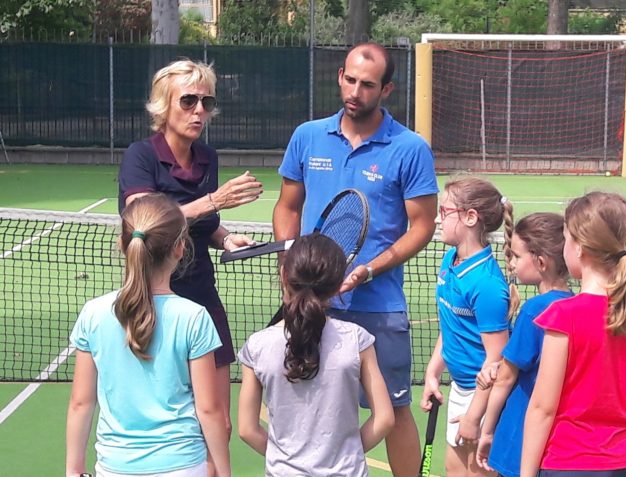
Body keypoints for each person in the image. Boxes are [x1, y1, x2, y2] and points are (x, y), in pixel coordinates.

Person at [272, 42, 438, 475]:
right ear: (339, 76)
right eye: (350, 80)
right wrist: (289, 266)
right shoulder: (307, 136)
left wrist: (370, 269)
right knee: (309, 403)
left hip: (379, 305)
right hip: (311, 302)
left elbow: (422, 226)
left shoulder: (410, 148)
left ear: (387, 90)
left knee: (395, 409)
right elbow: (287, 207)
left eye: (367, 84)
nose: (355, 91)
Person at [117, 59, 263, 451]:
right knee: (159, 416)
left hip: (201, 294)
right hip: (150, 298)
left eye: (207, 102)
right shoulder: (140, 156)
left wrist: (225, 237)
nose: (199, 110)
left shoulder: (207, 158)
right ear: (163, 105)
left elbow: (201, 223)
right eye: (188, 101)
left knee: (217, 422)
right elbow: (146, 221)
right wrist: (214, 200)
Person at [65, 194, 230, 477]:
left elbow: (81, 403)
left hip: (114, 467)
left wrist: (73, 469)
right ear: (180, 248)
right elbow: (209, 410)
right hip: (183, 465)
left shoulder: (93, 313)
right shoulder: (194, 317)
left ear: (123, 245)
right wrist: (224, 472)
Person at [520, 191, 626, 477]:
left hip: (567, 464)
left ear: (579, 248)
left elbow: (542, 409)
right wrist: (615, 443)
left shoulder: (563, 316)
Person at [237, 233, 395, 476]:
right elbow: (384, 418)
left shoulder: (257, 346)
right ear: (337, 284)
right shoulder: (356, 340)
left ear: (284, 275)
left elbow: (247, 429)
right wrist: (347, 455)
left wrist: (285, 460)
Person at [421, 177, 513, 476]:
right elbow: (450, 325)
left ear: (470, 217)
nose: (438, 219)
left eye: (444, 211)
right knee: (454, 469)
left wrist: (475, 416)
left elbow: (497, 361)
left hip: (482, 395)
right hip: (461, 387)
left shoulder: (487, 284)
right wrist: (433, 372)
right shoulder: (451, 259)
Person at [473, 212, 573, 477]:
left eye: (517, 256)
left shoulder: (534, 311)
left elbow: (506, 379)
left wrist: (487, 430)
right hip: (558, 444)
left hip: (520, 438)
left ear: (541, 262)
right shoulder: (575, 306)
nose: (511, 264)